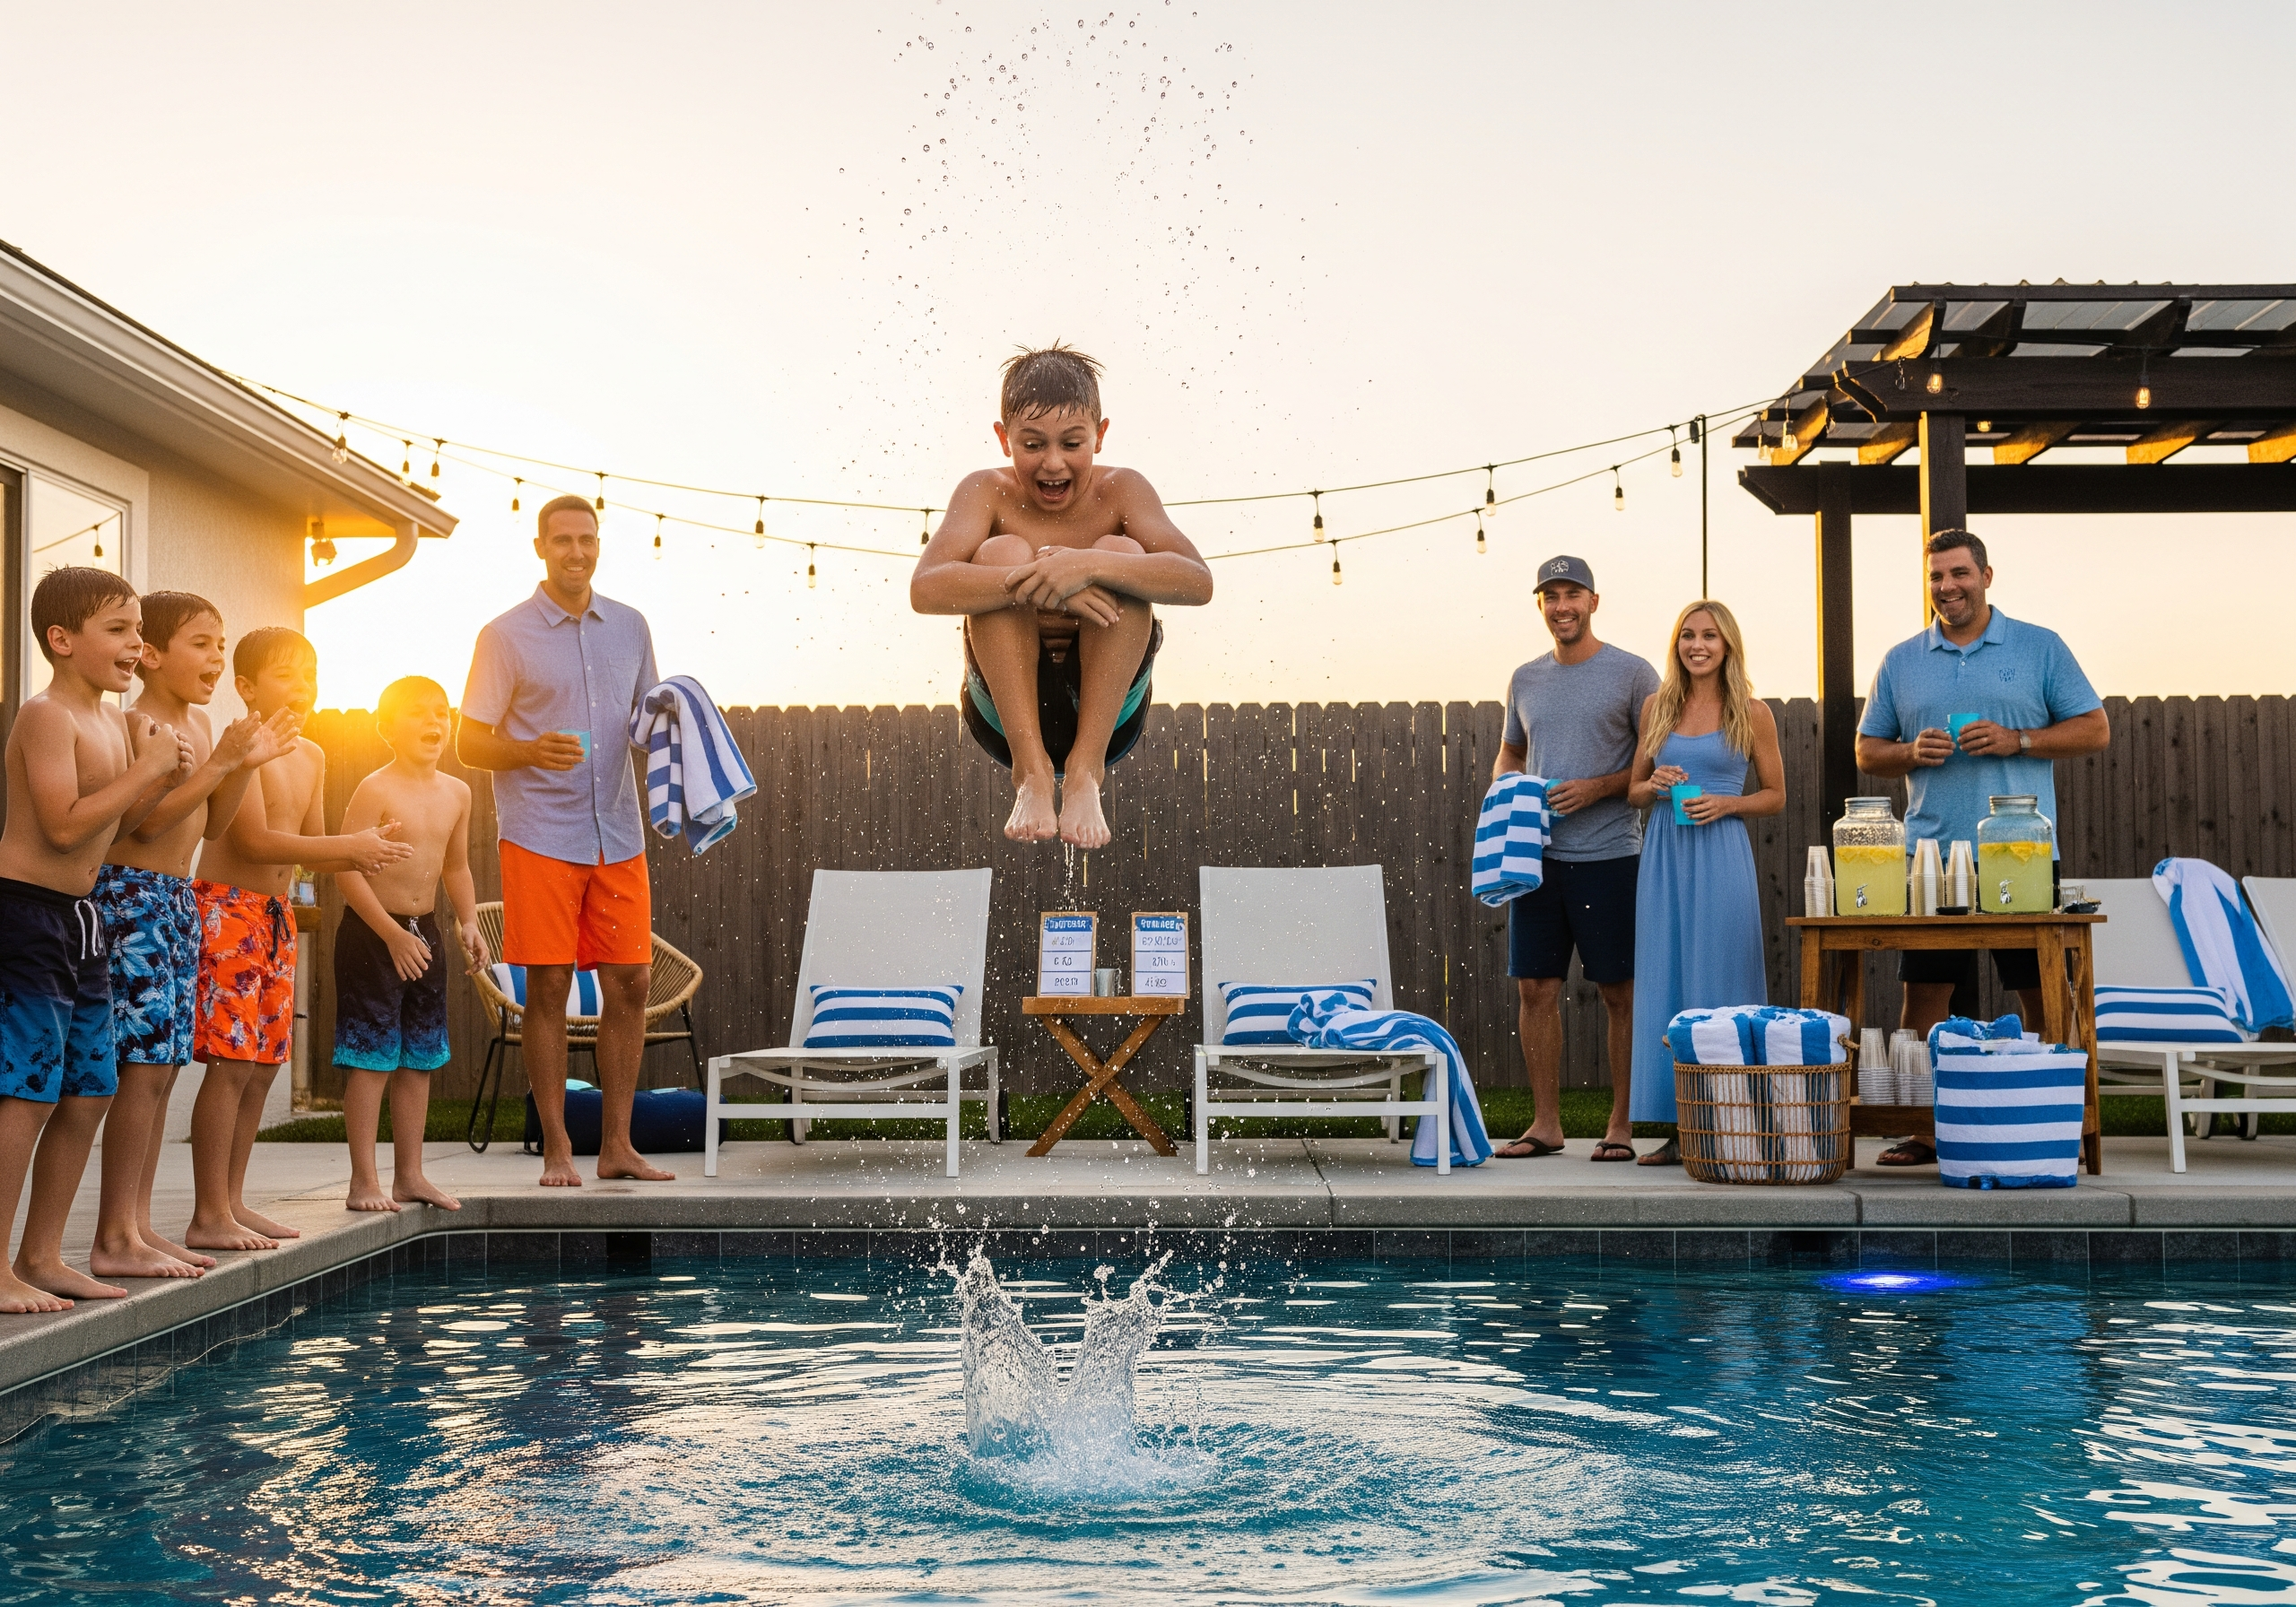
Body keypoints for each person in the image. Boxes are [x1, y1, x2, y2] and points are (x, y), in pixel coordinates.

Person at [1856, 527, 2110, 1167]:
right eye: (1937, 577)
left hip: (2020, 856)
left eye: (1959, 574)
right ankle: (1925, 1131)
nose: (1948, 588)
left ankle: (2056, 1124)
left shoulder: (2039, 647)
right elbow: (1866, 750)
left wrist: (2018, 741)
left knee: (2042, 995)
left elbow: (2095, 729)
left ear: (1987, 577)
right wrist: (1911, 752)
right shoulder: (1902, 659)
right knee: (1925, 998)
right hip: (1931, 858)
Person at [910, 344, 1213, 848]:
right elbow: (925, 589)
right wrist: (1045, 583)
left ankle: (1084, 772)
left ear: (1101, 434)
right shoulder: (984, 490)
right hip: (1006, 719)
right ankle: (1031, 773)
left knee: (1124, 551)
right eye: (1033, 445)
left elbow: (1197, 582)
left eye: (1073, 443)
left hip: (1108, 716)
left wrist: (1090, 565)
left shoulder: (1123, 490)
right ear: (1004, 439)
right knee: (1001, 551)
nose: (1054, 463)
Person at [460, 493, 669, 1187]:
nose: (575, 552)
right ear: (540, 548)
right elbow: (469, 740)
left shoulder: (632, 626)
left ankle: (616, 1145)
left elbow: (647, 722)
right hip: (540, 836)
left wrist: (681, 728)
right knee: (547, 984)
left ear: (599, 544)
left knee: (632, 985)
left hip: (619, 832)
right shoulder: (505, 634)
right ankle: (556, 1147)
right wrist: (527, 752)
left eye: (587, 539)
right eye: (562, 541)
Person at [90, 592, 299, 1281]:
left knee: (164, 1072)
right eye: (201, 645)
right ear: (152, 655)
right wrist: (218, 765)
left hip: (177, 901)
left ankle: (139, 1226)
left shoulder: (205, 725)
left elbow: (211, 823)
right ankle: (115, 1233)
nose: (215, 658)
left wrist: (242, 763)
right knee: (140, 1073)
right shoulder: (139, 724)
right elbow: (146, 822)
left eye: (220, 643)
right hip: (133, 900)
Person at [0, 568, 191, 1311]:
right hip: (27, 915)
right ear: (62, 639)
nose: (136, 643)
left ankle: (43, 1256)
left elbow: (118, 823)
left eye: (139, 629)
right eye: (119, 629)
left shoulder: (113, 721)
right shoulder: (47, 714)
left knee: (89, 1091)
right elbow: (64, 824)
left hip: (83, 921)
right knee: (26, 1094)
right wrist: (145, 768)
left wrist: (156, 775)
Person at [187, 628, 412, 1251]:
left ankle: (232, 1201)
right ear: (248, 688)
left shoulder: (311, 755)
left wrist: (369, 847)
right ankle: (208, 1211)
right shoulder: (242, 750)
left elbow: (311, 845)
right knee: (231, 1066)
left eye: (311, 675)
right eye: (289, 676)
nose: (304, 687)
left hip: (277, 917)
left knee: (262, 1070)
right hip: (229, 912)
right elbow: (254, 841)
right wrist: (348, 847)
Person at [1490, 556, 1661, 1162]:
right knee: (1535, 989)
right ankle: (1546, 1124)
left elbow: (1651, 768)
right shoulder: (1525, 679)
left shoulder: (1634, 674)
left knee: (1619, 991)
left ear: (1593, 601)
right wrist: (1507, 796)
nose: (1562, 605)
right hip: (1536, 860)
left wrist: (1596, 788)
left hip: (1611, 854)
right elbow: (1511, 755)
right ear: (1540, 604)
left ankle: (1620, 1125)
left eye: (1572, 594)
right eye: (1550, 595)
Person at [1622, 600, 1786, 1165]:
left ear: (1727, 646)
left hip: (1721, 853)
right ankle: (1679, 1130)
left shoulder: (1752, 711)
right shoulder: (1657, 707)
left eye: (1709, 636)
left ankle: (1736, 1123)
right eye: (1688, 635)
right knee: (1668, 980)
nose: (1697, 645)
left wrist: (1729, 802)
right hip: (1665, 854)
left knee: (1721, 978)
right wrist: (1655, 784)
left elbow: (1776, 795)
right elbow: (1634, 791)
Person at [334, 675, 485, 1213]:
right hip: (374, 934)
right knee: (372, 1059)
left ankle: (410, 1176)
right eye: (418, 712)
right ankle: (363, 1182)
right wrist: (392, 934)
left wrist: (467, 923)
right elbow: (346, 873)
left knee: (418, 1059)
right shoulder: (376, 788)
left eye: (441, 712)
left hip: (425, 934)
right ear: (387, 727)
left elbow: (457, 865)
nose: (434, 721)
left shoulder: (458, 792)